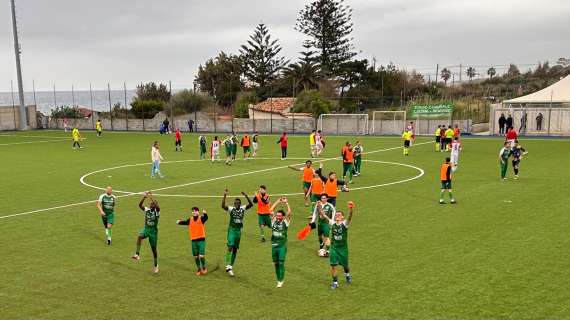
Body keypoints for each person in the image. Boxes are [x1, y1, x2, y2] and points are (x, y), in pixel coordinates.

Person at [318, 201, 354, 289]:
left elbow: (349, 217)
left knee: (345, 265)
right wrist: (319, 206)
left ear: (342, 217)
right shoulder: (332, 223)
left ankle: (347, 274)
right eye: (336, 214)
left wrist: (351, 209)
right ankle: (335, 282)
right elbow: (323, 215)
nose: (337, 215)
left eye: (339, 215)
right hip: (334, 248)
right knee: (333, 265)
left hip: (343, 249)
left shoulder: (344, 224)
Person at [221, 189, 253, 276]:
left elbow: (251, 204)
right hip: (232, 229)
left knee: (235, 249)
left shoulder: (243, 208)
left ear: (239, 203)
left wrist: (246, 195)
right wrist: (225, 195)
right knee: (230, 246)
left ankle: (230, 266)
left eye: (237, 203)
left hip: (238, 231)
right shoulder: (231, 209)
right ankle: (227, 264)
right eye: (235, 203)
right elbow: (223, 206)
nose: (235, 204)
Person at [132, 192, 160, 274]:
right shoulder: (147, 210)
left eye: (153, 205)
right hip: (146, 229)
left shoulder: (157, 212)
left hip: (153, 232)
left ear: (155, 206)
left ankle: (156, 265)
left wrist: (152, 198)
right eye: (151, 204)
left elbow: (158, 208)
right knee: (139, 236)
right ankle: (137, 254)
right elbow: (140, 205)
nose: (151, 205)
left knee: (154, 250)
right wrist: (144, 197)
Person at [176, 207, 208, 275]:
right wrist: (179, 222)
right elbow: (185, 222)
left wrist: (205, 214)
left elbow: (206, 218)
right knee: (196, 256)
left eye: (196, 211)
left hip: (201, 240)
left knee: (201, 256)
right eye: (193, 211)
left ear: (198, 212)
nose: (194, 212)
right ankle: (199, 269)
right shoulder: (190, 219)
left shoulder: (201, 219)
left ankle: (204, 267)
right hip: (193, 241)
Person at [269, 197, 291, 288]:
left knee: (281, 262)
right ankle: (279, 279)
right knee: (276, 263)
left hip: (282, 245)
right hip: (274, 246)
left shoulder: (285, 222)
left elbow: (289, 213)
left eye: (279, 216)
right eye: (277, 215)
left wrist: (286, 203)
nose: (278, 217)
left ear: (282, 216)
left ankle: (281, 279)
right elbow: (270, 210)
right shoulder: (273, 221)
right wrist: (278, 201)